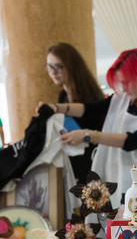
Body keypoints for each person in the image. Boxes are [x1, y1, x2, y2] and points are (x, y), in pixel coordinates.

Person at [39, 48, 137, 205]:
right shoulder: (122, 99)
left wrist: (89, 135)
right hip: (109, 171)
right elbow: (90, 110)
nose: (123, 88)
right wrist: (57, 108)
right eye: (121, 83)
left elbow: (134, 141)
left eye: (126, 82)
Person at [45, 42, 106, 183]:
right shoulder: (63, 96)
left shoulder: (92, 95)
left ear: (71, 65)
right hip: (71, 159)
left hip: (92, 161)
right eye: (49, 66)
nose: (53, 72)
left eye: (58, 66)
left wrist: (83, 136)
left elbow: (101, 133)